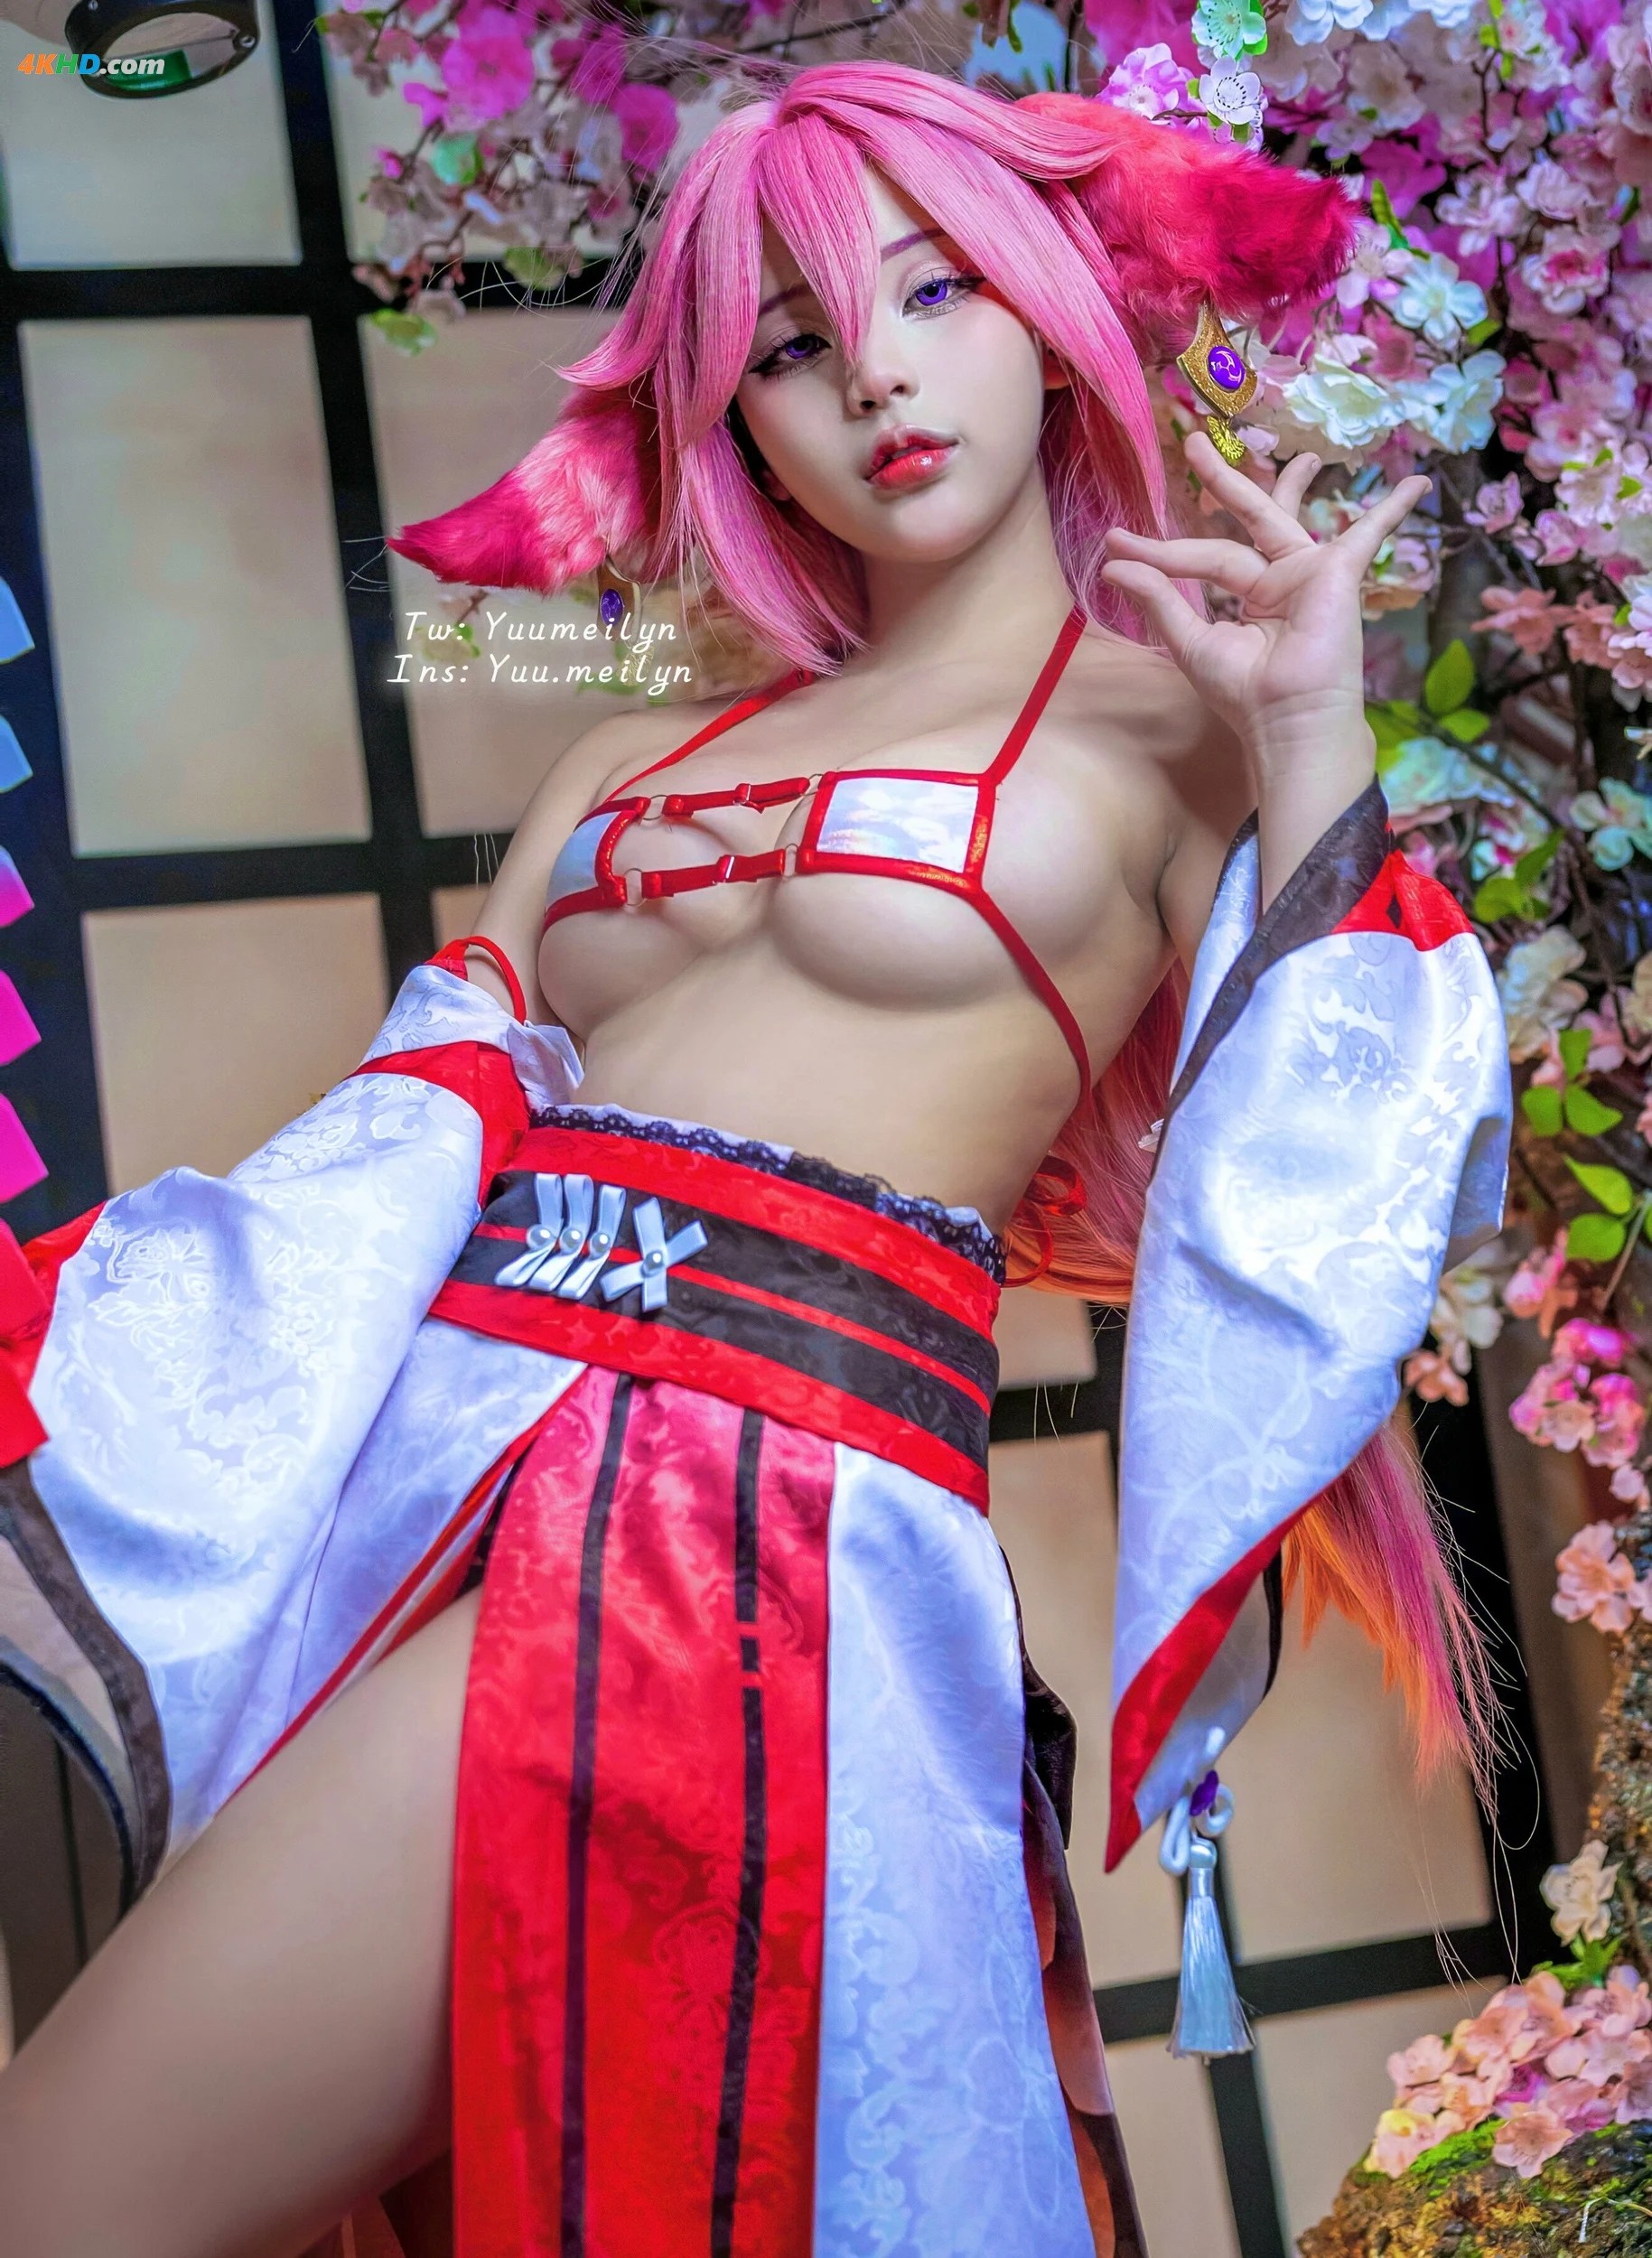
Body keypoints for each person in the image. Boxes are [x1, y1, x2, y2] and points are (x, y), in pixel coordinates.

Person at [0, 61, 1509, 2258]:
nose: (876, 375)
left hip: (745, 1524)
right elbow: (395, 1143)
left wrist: (1301, 727)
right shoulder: (628, 751)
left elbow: (1341, 1130)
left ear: (1050, 308)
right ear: (734, 419)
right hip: (425, 1481)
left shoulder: (1175, 723)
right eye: (792, 342)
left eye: (934, 289)